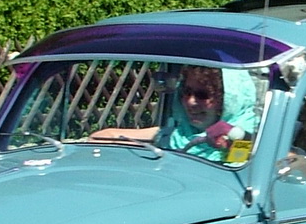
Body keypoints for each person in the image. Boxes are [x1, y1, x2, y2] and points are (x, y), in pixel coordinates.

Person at [92, 65, 259, 162]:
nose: (191, 102)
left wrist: (235, 144)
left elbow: (254, 159)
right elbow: (103, 136)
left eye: (203, 95)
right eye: (186, 92)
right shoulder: (177, 134)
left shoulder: (248, 136)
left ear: (228, 100)